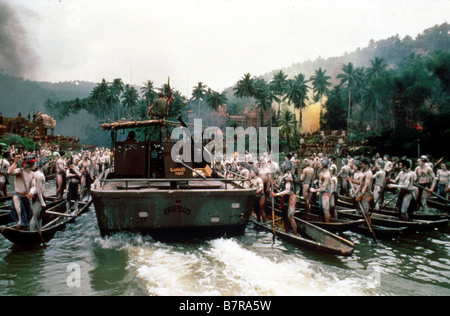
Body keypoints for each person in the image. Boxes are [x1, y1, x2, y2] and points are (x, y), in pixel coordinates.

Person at [7, 154, 37, 230]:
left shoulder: (32, 174)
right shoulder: (20, 171)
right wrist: (15, 162)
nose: (36, 165)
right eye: (35, 163)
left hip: (26, 197)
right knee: (21, 219)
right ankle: (18, 230)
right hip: (18, 197)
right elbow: (9, 171)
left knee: (28, 217)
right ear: (31, 164)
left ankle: (25, 230)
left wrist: (31, 193)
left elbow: (33, 186)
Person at [271, 161, 297, 235]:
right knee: (285, 217)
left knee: (290, 217)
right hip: (285, 198)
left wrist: (276, 194)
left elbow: (287, 190)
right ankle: (287, 232)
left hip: (291, 197)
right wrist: (275, 184)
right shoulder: (282, 176)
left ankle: (295, 235)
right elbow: (281, 188)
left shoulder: (288, 177)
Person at [29, 158, 47, 231]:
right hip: (38, 197)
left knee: (40, 215)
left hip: (38, 196)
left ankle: (40, 229)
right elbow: (39, 190)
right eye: (47, 164)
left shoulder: (37, 173)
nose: (48, 166)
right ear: (43, 165)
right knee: (35, 215)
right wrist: (42, 202)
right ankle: (31, 230)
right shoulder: (39, 175)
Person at [354, 158, 374, 224]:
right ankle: (365, 224)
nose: (361, 165)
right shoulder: (365, 172)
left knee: (366, 213)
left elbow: (366, 185)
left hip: (367, 195)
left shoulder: (369, 173)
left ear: (366, 165)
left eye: (362, 164)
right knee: (363, 212)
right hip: (364, 194)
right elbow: (360, 183)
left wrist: (361, 195)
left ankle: (368, 226)